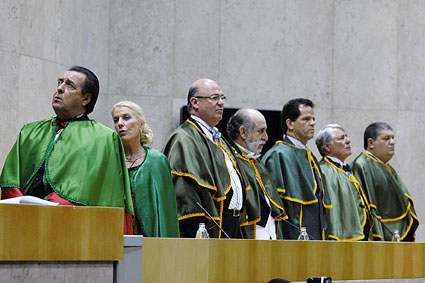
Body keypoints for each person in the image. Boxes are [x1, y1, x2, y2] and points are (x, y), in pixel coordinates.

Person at [0, 66, 134, 233]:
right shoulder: (29, 131)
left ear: (86, 99)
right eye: (59, 82)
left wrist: (44, 208)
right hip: (19, 223)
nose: (60, 88)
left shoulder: (103, 139)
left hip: (68, 228)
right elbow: (9, 181)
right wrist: (21, 206)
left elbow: (91, 190)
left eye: (69, 85)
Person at [162, 78, 246, 238]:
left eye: (222, 98)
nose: (221, 103)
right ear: (195, 103)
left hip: (231, 223)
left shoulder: (218, 138)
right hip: (204, 229)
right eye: (214, 98)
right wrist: (199, 231)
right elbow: (184, 193)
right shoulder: (184, 138)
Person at [262, 98, 330, 240]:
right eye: (306, 119)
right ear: (290, 123)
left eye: (313, 119)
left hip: (316, 236)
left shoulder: (310, 156)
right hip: (291, 238)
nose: (313, 123)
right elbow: (273, 207)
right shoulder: (278, 155)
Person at [111, 101, 179, 237]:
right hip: (115, 234)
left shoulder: (157, 161)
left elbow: (166, 212)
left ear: (141, 123)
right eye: (116, 119)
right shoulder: (111, 159)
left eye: (126, 118)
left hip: (148, 239)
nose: (120, 123)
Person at [351, 122, 419, 241]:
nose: (392, 142)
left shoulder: (386, 167)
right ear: (371, 143)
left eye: (393, 138)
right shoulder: (361, 165)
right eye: (386, 139)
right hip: (375, 238)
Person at [226, 108, 286, 239]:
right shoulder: (229, 160)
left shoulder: (257, 162)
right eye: (261, 131)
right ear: (243, 132)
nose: (266, 137)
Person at [315, 124, 371, 241]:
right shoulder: (325, 171)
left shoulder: (344, 169)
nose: (348, 140)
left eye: (347, 136)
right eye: (341, 138)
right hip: (339, 240)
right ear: (327, 147)